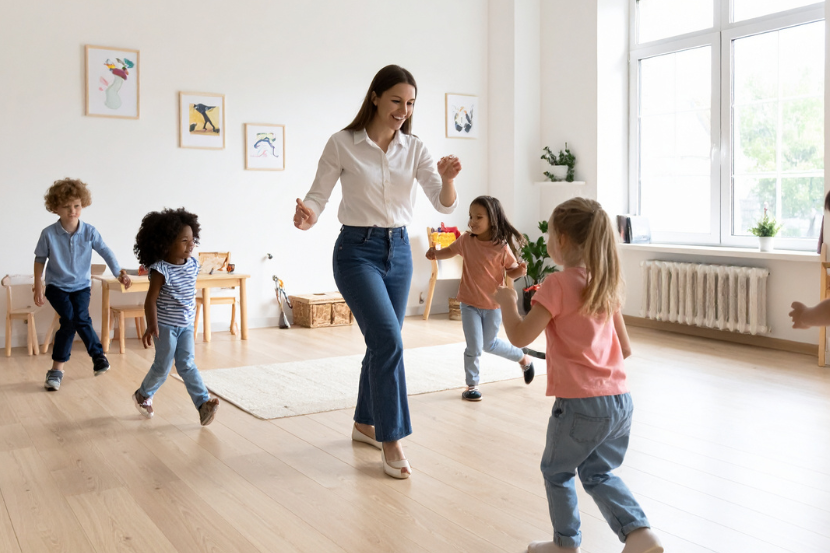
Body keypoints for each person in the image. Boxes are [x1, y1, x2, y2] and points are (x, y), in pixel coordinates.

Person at [294, 64, 461, 479]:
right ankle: (392, 438)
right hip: (356, 252)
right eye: (396, 101)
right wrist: (307, 215)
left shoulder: (415, 148)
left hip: (400, 251)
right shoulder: (343, 143)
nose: (403, 110)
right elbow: (318, 194)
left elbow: (443, 205)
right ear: (375, 97)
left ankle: (365, 423)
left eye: (409, 104)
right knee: (388, 339)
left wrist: (447, 179)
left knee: (383, 342)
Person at [493, 198, 663, 553]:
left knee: (557, 472)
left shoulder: (556, 284)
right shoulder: (605, 283)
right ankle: (639, 533)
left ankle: (565, 545)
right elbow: (625, 348)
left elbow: (521, 337)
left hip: (580, 407)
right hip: (620, 401)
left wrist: (508, 304)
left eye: (551, 233)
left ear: (564, 240)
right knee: (598, 474)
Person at [426, 195, 544, 401]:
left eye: (478, 217)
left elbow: (512, 271)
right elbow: (450, 251)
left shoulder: (501, 247)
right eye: (471, 216)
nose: (472, 221)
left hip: (493, 305)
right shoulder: (465, 240)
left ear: (492, 219)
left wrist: (521, 271)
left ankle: (523, 359)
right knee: (473, 346)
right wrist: (436, 254)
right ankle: (472, 385)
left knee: (489, 344)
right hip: (469, 303)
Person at [34, 178, 132, 391]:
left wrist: (119, 273)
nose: (72, 211)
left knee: (74, 321)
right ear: (55, 208)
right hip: (56, 286)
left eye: (76, 206)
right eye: (66, 207)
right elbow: (40, 259)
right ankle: (97, 356)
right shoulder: (48, 234)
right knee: (71, 318)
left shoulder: (89, 231)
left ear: (83, 205)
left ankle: (56, 371)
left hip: (81, 287)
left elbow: (106, 251)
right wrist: (38, 285)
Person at [132, 208, 219, 426]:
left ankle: (203, 405)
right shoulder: (161, 270)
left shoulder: (193, 264)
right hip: (164, 325)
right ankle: (143, 395)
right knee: (163, 366)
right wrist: (151, 325)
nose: (191, 244)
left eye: (192, 239)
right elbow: (150, 300)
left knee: (187, 364)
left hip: (186, 325)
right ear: (166, 244)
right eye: (184, 240)